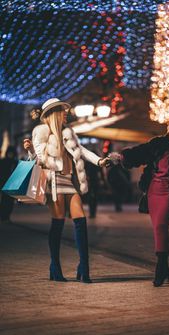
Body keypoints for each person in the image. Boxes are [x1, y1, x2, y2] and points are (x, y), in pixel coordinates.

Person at [23, 98, 109, 283]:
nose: (65, 114)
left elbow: (81, 150)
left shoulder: (67, 132)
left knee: (81, 220)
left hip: (69, 181)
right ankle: (55, 265)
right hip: (53, 182)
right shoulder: (41, 132)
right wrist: (30, 151)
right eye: (62, 111)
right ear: (53, 114)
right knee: (58, 222)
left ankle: (84, 267)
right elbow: (38, 157)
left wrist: (100, 160)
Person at [109, 117, 169, 287]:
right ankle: (164, 267)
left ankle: (161, 266)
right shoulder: (158, 143)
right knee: (158, 227)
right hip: (153, 190)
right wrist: (122, 157)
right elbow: (140, 153)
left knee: (161, 226)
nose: (168, 123)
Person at [0, 146, 18, 222]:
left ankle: (6, 216)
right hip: (4, 183)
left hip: (12, 184)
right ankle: (3, 216)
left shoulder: (15, 162)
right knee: (4, 200)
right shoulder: (4, 161)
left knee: (10, 201)